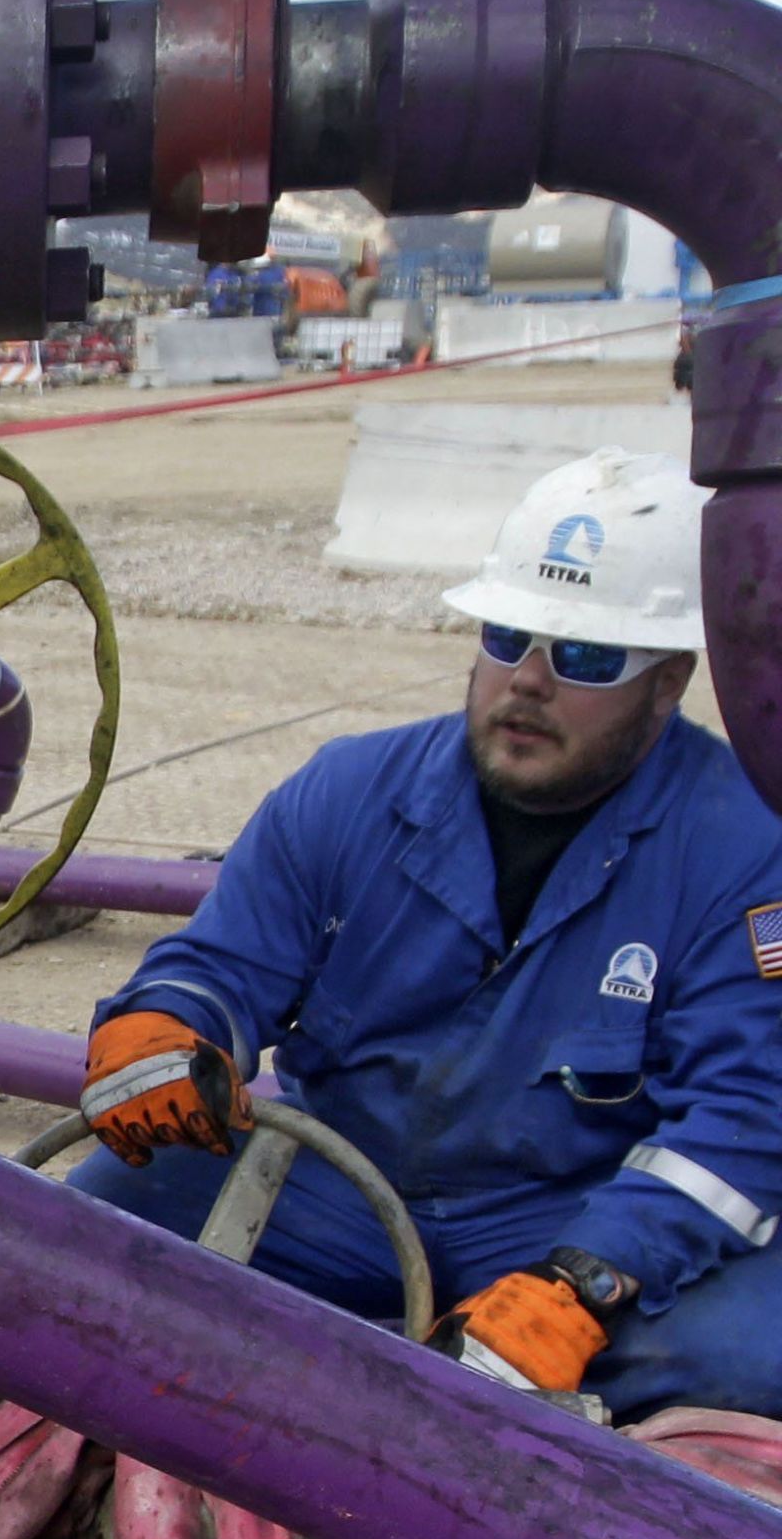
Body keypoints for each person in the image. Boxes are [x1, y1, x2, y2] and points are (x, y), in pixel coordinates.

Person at [74, 447, 782, 1420]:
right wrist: (163, 1023)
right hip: (334, 1194)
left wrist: (586, 1279)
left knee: (752, 1352)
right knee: (77, 1229)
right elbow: (218, 965)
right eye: (506, 637)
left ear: (665, 684)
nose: (526, 682)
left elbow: (742, 1121)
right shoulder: (346, 792)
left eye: (580, 657)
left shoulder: (740, 844)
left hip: (563, 1212)